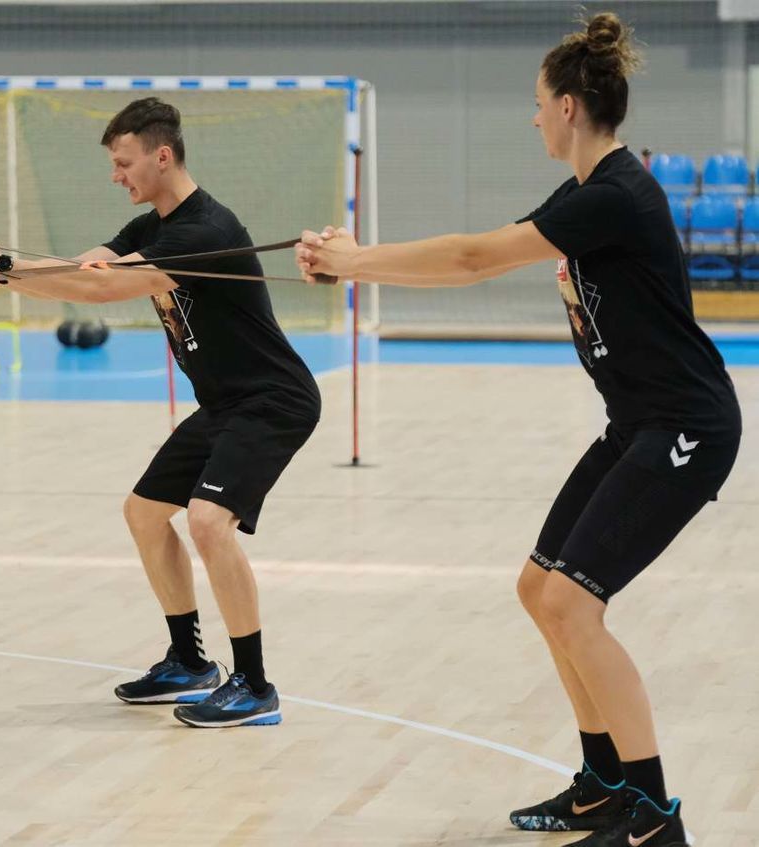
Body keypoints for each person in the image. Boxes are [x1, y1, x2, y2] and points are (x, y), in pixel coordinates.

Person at [297, 13, 740, 846]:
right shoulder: (582, 196)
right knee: (540, 590)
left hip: (687, 426)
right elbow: (481, 254)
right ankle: (603, 784)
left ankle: (654, 817)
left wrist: (353, 261)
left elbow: (473, 259)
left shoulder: (614, 195)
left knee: (574, 602)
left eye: (538, 104)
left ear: (570, 107)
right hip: (636, 421)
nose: (532, 117)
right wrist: (355, 259)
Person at [0, 97, 321, 727]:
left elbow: (100, 288)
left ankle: (255, 685)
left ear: (162, 154)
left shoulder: (203, 229)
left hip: (273, 400)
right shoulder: (151, 226)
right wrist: (0, 273)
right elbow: (84, 270)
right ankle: (189, 663)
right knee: (146, 513)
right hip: (225, 402)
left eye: (123, 163)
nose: (115, 175)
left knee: (209, 522)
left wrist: (7, 269)